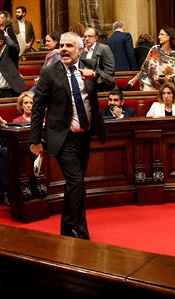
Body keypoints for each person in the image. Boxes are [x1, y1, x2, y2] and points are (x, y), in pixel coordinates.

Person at [29, 31, 116, 240]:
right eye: (62, 45)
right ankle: (80, 232)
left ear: (79, 50)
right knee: (76, 182)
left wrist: (96, 75)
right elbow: (37, 108)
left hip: (84, 136)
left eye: (69, 46)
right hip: (62, 136)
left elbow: (111, 83)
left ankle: (66, 229)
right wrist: (35, 140)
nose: (64, 49)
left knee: (74, 184)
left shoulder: (89, 65)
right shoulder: (49, 73)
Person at [0, 29, 25, 98]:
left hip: (11, 92)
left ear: (1, 42)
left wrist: (5, 35)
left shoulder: (10, 53)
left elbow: (13, 46)